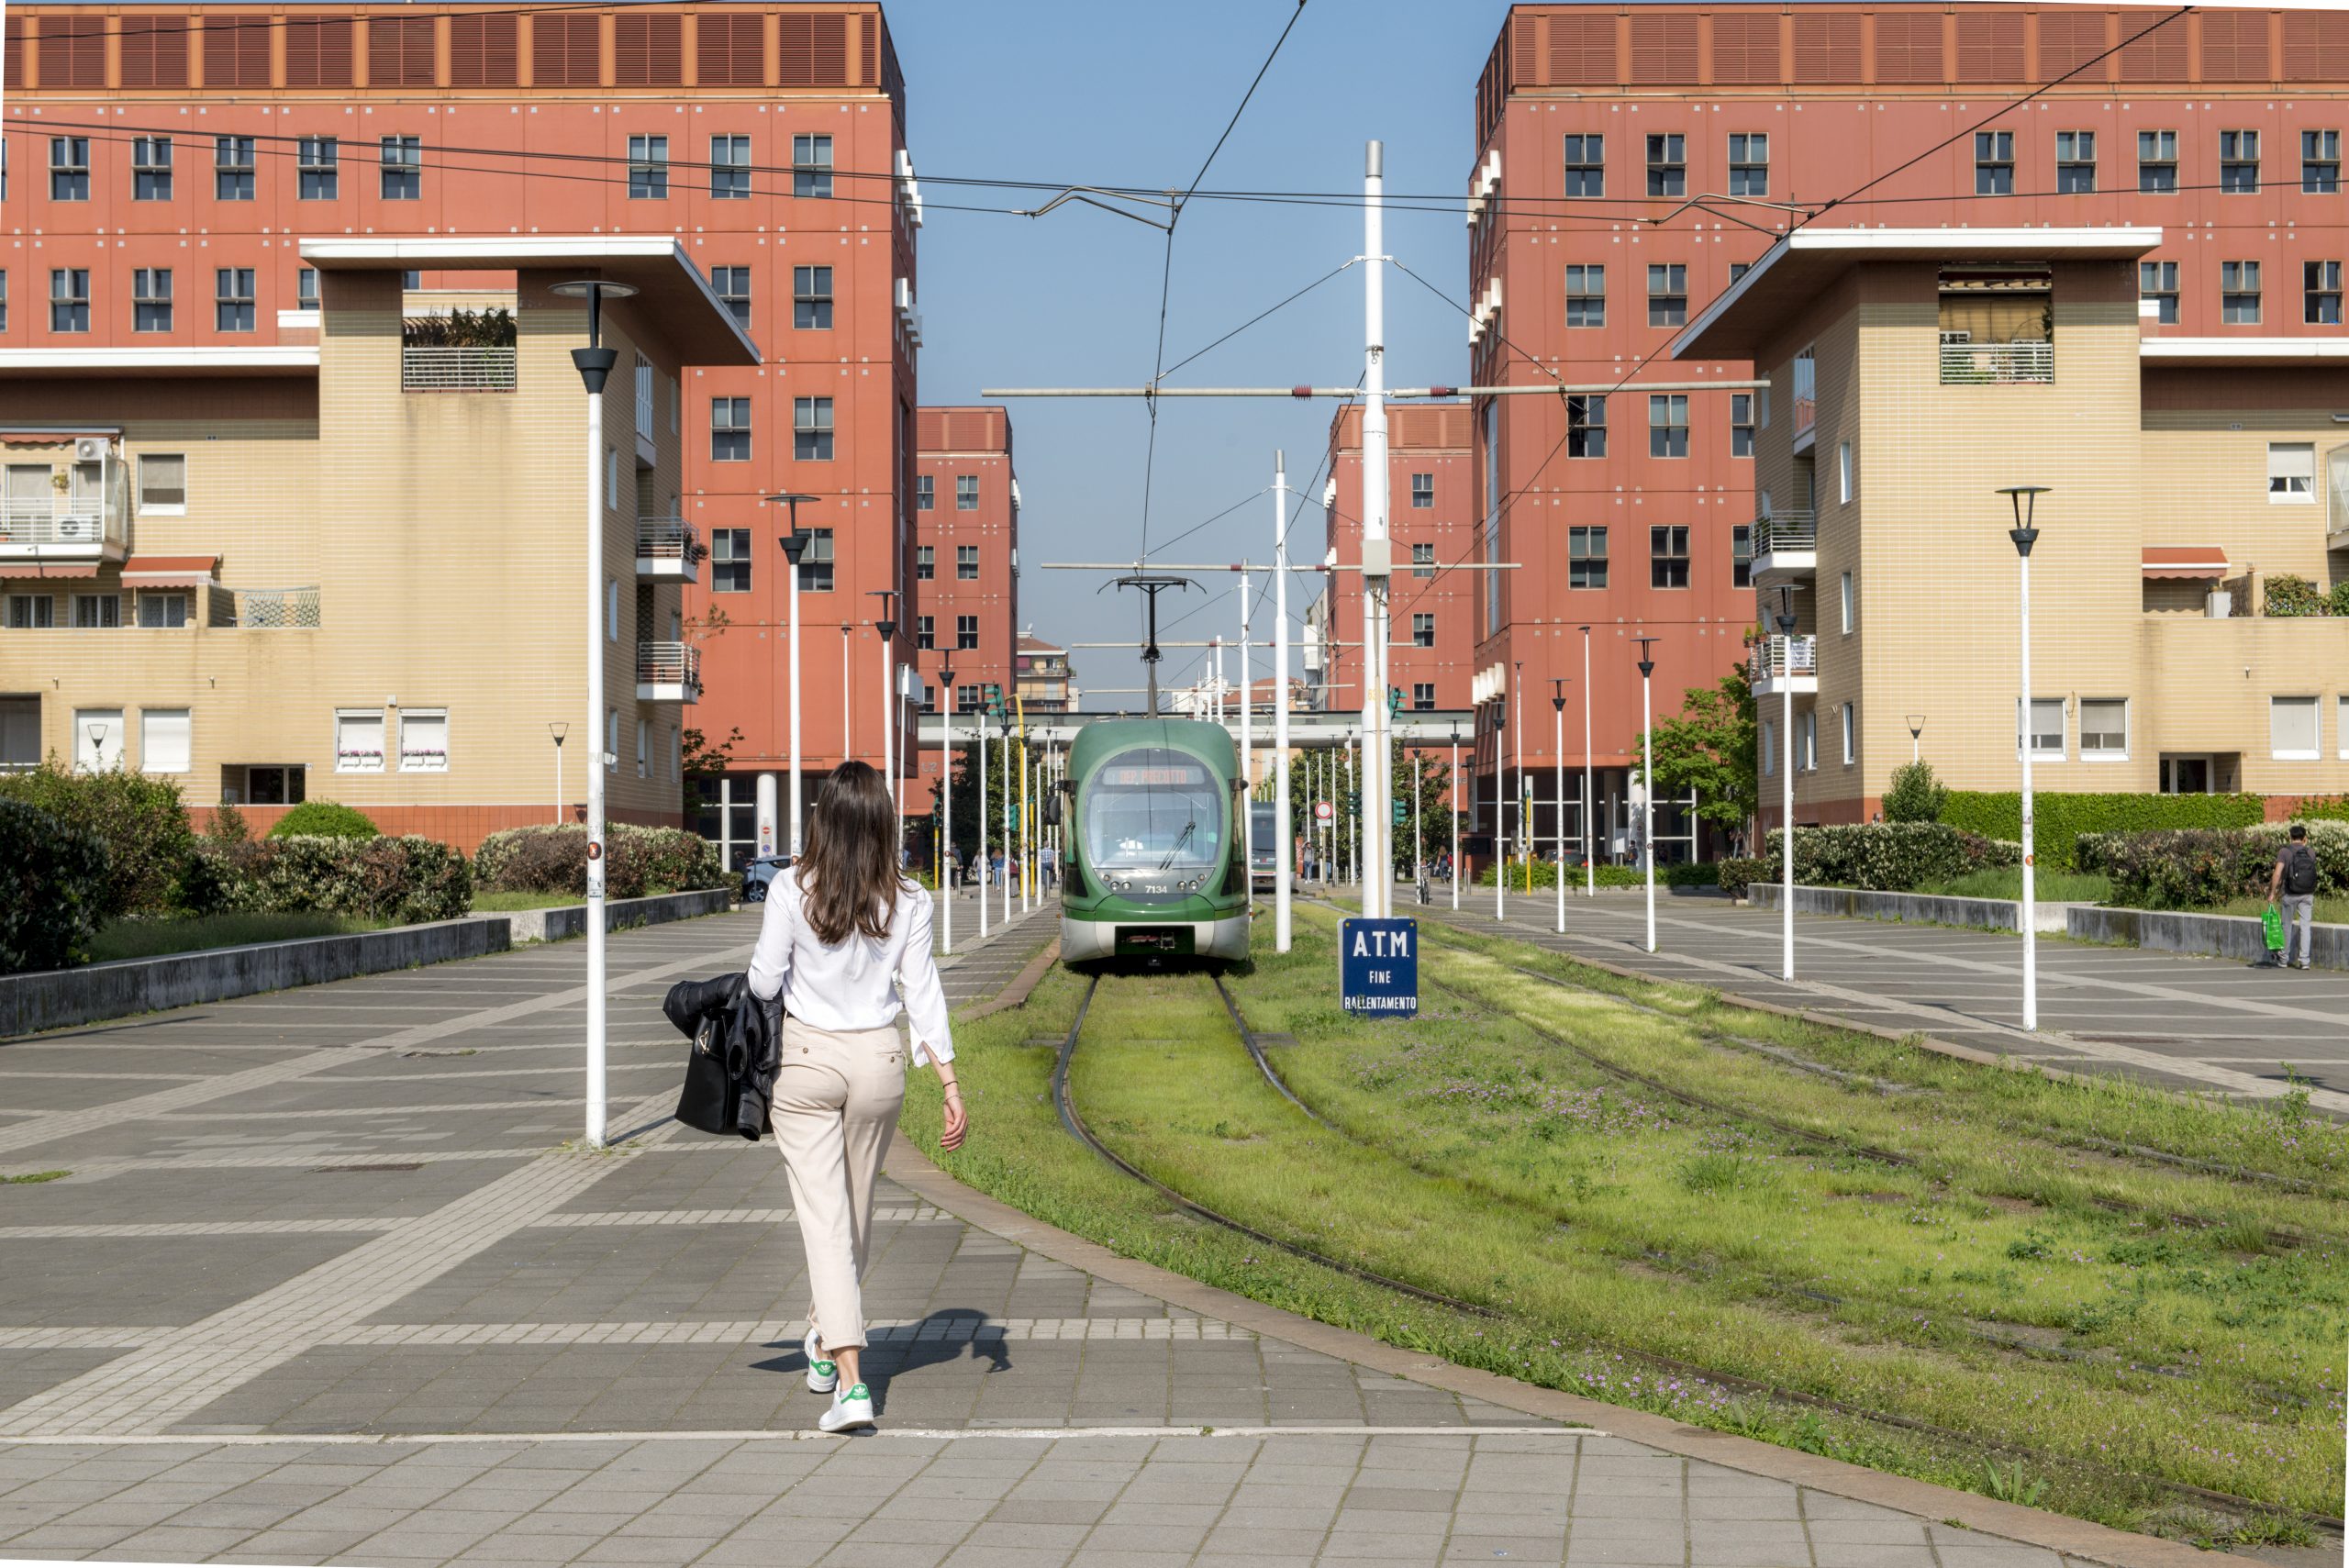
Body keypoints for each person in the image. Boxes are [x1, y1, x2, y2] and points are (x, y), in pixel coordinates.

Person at [749, 762, 968, 1434]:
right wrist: (950, 1081)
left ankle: (850, 1383)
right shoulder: (909, 898)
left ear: (823, 819)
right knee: (855, 1216)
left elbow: (762, 982)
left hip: (807, 1064)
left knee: (826, 1221)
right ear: (882, 823)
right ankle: (822, 1339)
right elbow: (921, 988)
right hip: (880, 1061)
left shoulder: (791, 888)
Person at [2266, 824, 2320, 972]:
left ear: (2290, 837)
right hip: (2307, 894)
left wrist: (2272, 893)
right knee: (2305, 926)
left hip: (2289, 894)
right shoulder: (2310, 852)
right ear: (2304, 838)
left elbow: (2277, 874)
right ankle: (2304, 961)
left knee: (2286, 926)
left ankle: (2283, 959)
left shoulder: (2285, 852)